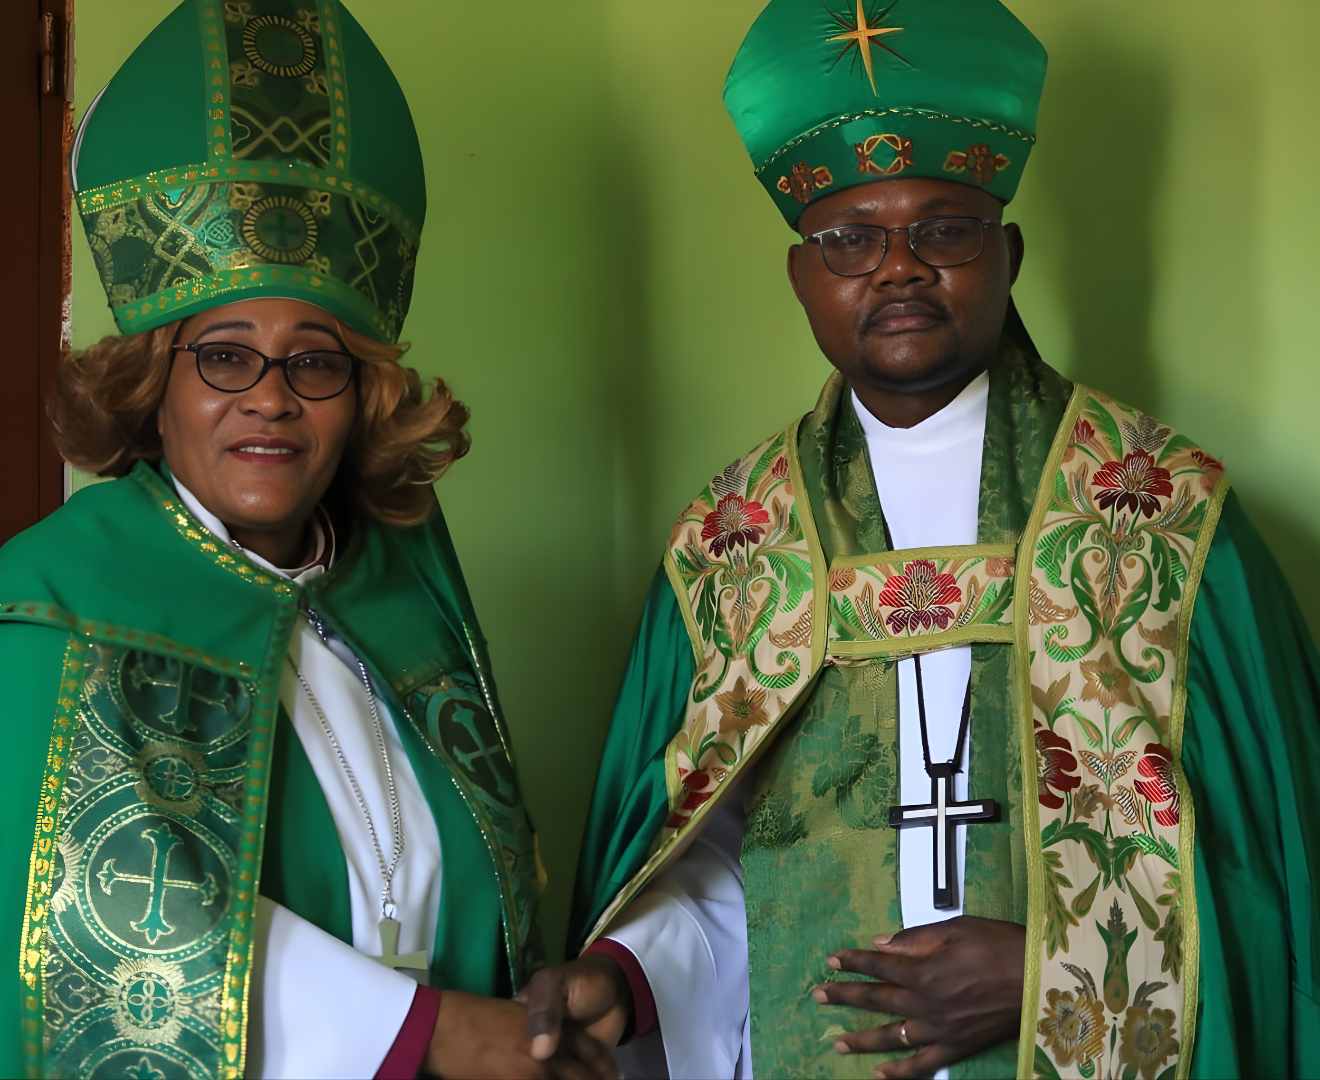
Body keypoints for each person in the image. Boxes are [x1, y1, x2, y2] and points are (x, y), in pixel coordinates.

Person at [521, 1, 1320, 1077]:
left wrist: (1061, 971)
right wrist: (624, 975)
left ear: (1009, 253)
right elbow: (712, 875)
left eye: (944, 229)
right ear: (802, 276)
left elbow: (1276, 879)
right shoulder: (730, 548)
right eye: (850, 238)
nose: (898, 268)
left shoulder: (1165, 516)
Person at [0, 3, 614, 1077]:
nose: (271, 400)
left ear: (361, 394)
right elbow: (93, 933)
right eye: (225, 356)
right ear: (156, 389)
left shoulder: (401, 584)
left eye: (316, 359)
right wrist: (428, 1037)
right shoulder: (55, 599)